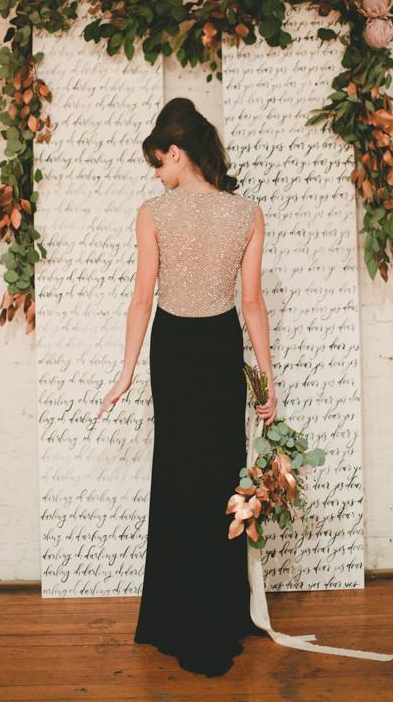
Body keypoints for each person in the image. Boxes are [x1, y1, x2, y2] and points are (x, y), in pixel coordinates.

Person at [97, 96, 277, 677]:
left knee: (177, 474)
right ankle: (221, 615)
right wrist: (267, 379)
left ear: (176, 153)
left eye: (158, 162)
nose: (157, 174)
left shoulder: (154, 213)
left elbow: (142, 297)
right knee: (221, 474)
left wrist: (125, 372)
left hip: (173, 352)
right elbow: (251, 303)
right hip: (220, 350)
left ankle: (173, 617)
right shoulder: (247, 213)